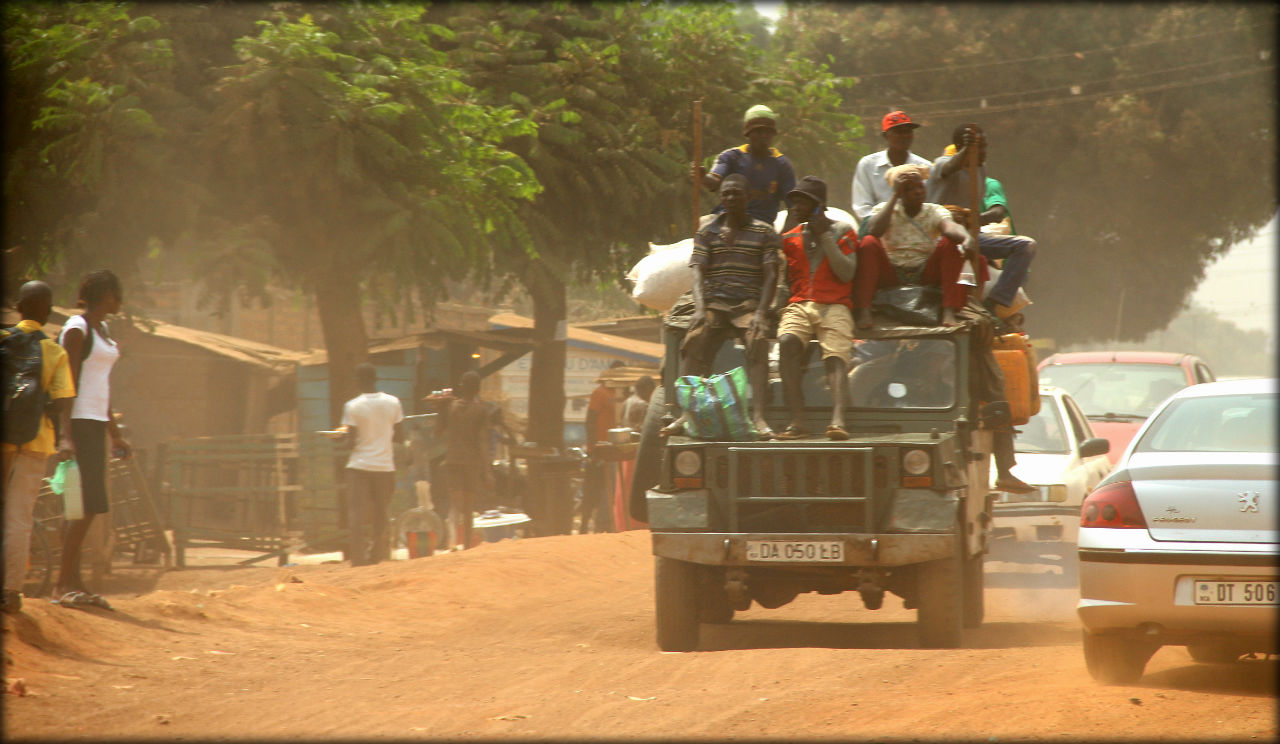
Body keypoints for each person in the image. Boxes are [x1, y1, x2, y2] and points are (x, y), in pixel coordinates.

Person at [662, 173, 781, 439]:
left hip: (747, 304)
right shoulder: (707, 231)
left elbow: (771, 274)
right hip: (715, 302)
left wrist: (761, 312)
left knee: (758, 340)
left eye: (736, 193)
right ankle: (686, 413)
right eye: (726, 193)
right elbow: (697, 273)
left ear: (748, 197)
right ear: (720, 198)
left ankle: (759, 417)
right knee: (694, 339)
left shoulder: (764, 232)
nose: (730, 198)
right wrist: (701, 310)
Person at [54, 269, 130, 609]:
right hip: (79, 423)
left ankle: (75, 581)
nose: (119, 300)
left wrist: (115, 433)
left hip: (96, 422)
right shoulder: (77, 329)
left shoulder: (104, 330)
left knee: (89, 507)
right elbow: (65, 383)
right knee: (80, 506)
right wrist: (65, 434)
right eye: (115, 294)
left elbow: (103, 386)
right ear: (104, 295)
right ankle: (62, 584)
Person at [2, 281, 76, 613]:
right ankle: (11, 590)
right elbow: (62, 402)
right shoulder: (55, 352)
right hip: (35, 441)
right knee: (19, 517)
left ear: (18, 307)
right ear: (46, 312)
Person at [775, 176, 859, 440]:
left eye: (802, 201)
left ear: (818, 205)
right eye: (794, 201)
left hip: (834, 303)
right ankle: (797, 420)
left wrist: (824, 236)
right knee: (787, 342)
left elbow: (846, 273)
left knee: (835, 355)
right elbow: (783, 278)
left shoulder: (843, 230)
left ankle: (838, 421)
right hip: (800, 303)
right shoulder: (790, 237)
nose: (795, 206)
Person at [853, 164, 986, 328]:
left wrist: (966, 238)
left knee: (950, 243)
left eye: (920, 186)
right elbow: (874, 230)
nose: (918, 191)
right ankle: (864, 309)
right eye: (910, 188)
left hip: (924, 272)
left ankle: (949, 310)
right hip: (892, 272)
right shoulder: (883, 209)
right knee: (868, 243)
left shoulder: (934, 210)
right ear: (900, 193)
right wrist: (895, 195)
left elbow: (950, 227)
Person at [927, 124, 1037, 322]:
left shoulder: (980, 169)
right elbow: (948, 169)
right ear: (962, 147)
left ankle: (993, 304)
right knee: (965, 260)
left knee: (1026, 246)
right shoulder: (942, 164)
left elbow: (990, 213)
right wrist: (966, 151)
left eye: (985, 147)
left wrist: (974, 219)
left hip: (972, 236)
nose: (985, 153)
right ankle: (956, 306)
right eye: (981, 148)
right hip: (943, 237)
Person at [339, 363, 404, 567]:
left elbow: (350, 442)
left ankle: (358, 559)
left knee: (356, 514)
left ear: (357, 381)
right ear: (376, 379)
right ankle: (376, 555)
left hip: (359, 466)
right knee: (381, 513)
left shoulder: (353, 406)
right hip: (384, 466)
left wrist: (337, 440)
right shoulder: (393, 403)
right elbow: (400, 436)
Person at [692, 104, 797, 225]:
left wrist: (782, 238)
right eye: (758, 131)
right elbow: (713, 183)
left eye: (768, 131)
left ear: (773, 134)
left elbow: (794, 208)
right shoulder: (731, 157)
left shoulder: (782, 164)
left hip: (760, 225)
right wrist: (702, 177)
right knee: (702, 224)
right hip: (726, 220)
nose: (764, 135)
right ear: (748, 133)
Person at [439, 371, 493, 549]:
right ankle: (467, 544)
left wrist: (440, 408)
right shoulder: (481, 410)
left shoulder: (450, 407)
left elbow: (438, 432)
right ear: (478, 389)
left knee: (455, 503)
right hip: (471, 463)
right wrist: (487, 471)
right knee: (468, 507)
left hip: (453, 460)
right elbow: (483, 441)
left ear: (462, 386)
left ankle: (453, 542)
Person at [851, 110, 932, 229]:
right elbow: (863, 207)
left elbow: (929, 203)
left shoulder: (924, 166)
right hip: (878, 229)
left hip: (917, 227)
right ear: (885, 136)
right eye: (898, 132)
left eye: (908, 132)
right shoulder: (867, 165)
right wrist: (879, 224)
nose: (904, 136)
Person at [582, 360, 624, 533]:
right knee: (592, 489)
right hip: (599, 450)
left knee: (610, 489)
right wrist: (592, 448)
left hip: (613, 451)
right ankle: (584, 525)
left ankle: (606, 524)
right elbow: (590, 420)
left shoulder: (621, 395)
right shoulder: (600, 393)